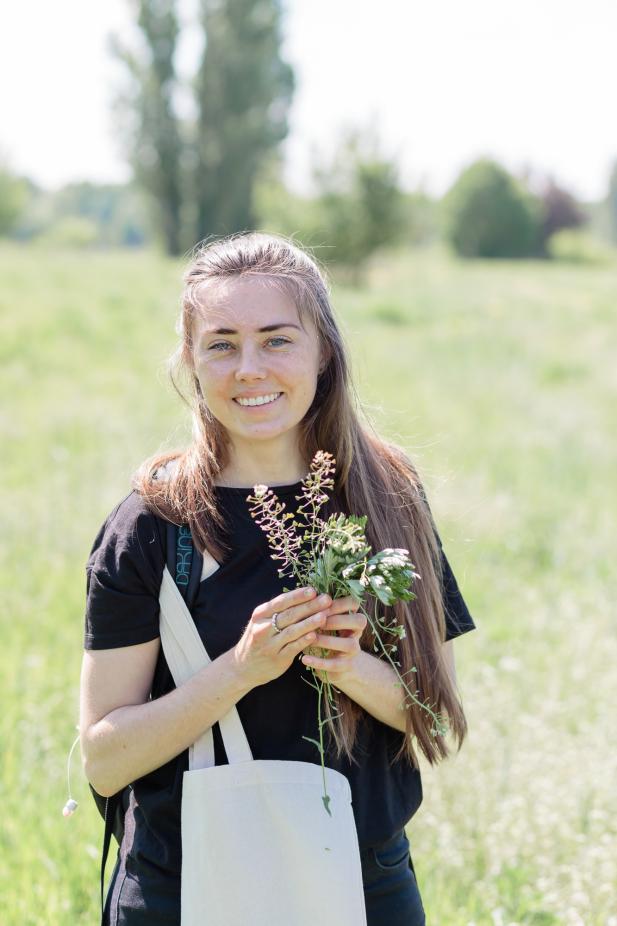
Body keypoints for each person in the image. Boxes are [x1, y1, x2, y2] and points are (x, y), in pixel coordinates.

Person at [80, 231, 475, 926]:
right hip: (182, 888)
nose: (250, 369)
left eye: (277, 339)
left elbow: (438, 720)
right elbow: (104, 761)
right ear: (190, 362)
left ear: (323, 351)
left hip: (360, 883)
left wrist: (347, 666)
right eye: (222, 344)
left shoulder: (387, 498)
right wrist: (240, 669)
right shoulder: (153, 523)